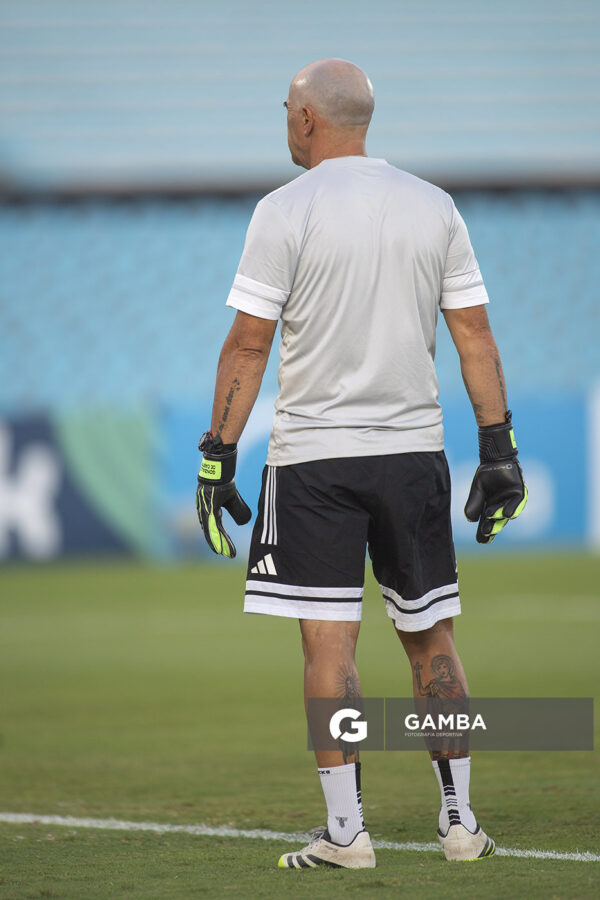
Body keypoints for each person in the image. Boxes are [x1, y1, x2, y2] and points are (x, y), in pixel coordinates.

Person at [196, 58, 527, 870]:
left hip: (315, 461)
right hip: (412, 454)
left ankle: (347, 834)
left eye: (286, 110)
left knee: (328, 648)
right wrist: (498, 450)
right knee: (431, 637)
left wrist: (217, 458)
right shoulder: (434, 206)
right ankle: (459, 822)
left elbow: (249, 343)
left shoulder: (282, 211)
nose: (285, 121)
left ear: (307, 119)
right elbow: (474, 334)